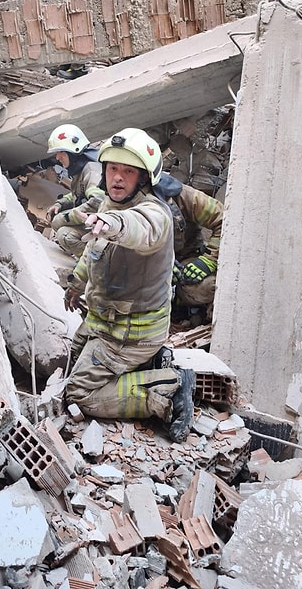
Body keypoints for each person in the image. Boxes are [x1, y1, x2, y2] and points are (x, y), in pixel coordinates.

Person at [63, 128, 196, 443]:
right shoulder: (110, 205)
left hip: (130, 332)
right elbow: (93, 250)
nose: (117, 178)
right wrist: (75, 282)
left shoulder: (154, 214)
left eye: (128, 171)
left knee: (78, 392)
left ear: (144, 178)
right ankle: (150, 364)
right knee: (71, 358)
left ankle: (167, 389)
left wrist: (113, 224)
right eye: (112, 169)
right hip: (104, 321)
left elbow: (140, 227)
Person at [154, 172, 223, 325]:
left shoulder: (184, 196)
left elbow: (224, 219)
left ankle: (182, 302)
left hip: (185, 261)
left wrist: (208, 260)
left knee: (210, 287)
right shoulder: (115, 201)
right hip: (143, 270)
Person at [46, 124, 105, 258]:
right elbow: (78, 194)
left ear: (73, 151)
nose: (57, 157)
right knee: (60, 228)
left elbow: (98, 202)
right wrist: (59, 204)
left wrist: (66, 217)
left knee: (64, 234)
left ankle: (98, 261)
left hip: (105, 228)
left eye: (61, 152)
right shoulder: (81, 170)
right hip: (94, 224)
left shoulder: (91, 170)